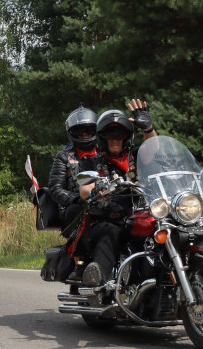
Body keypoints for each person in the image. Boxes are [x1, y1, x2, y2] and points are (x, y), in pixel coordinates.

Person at [79, 99, 157, 291]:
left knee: (166, 230)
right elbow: (84, 190)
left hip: (138, 216)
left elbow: (155, 150)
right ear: (101, 138)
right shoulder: (91, 162)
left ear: (126, 137)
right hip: (106, 218)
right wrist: (96, 189)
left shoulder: (136, 156)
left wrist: (148, 128)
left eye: (119, 134)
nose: (114, 139)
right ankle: (97, 282)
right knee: (110, 231)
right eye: (109, 135)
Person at [48, 106, 99, 282]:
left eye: (88, 130)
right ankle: (80, 264)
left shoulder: (104, 153)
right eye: (79, 131)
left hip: (105, 202)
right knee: (78, 211)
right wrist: (75, 198)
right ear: (72, 133)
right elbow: (55, 188)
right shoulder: (64, 157)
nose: (85, 135)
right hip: (74, 207)